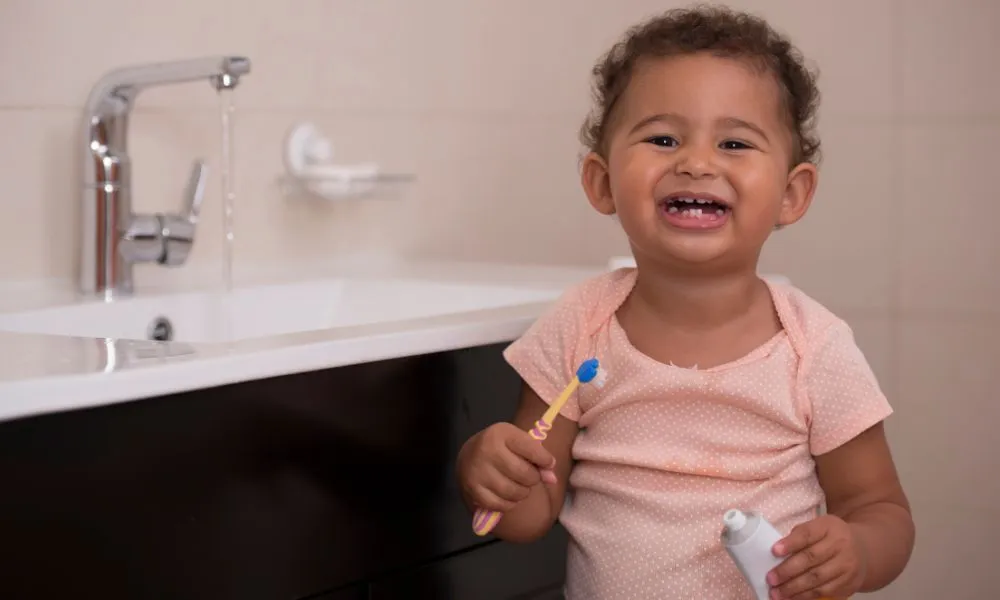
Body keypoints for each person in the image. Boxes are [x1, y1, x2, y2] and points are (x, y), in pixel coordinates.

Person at [456, 5, 915, 599]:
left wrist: (856, 550)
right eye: (663, 138)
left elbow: (881, 509)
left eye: (734, 142)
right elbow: (527, 516)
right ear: (601, 181)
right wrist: (485, 469)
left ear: (791, 194)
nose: (697, 163)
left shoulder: (815, 349)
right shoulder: (579, 326)